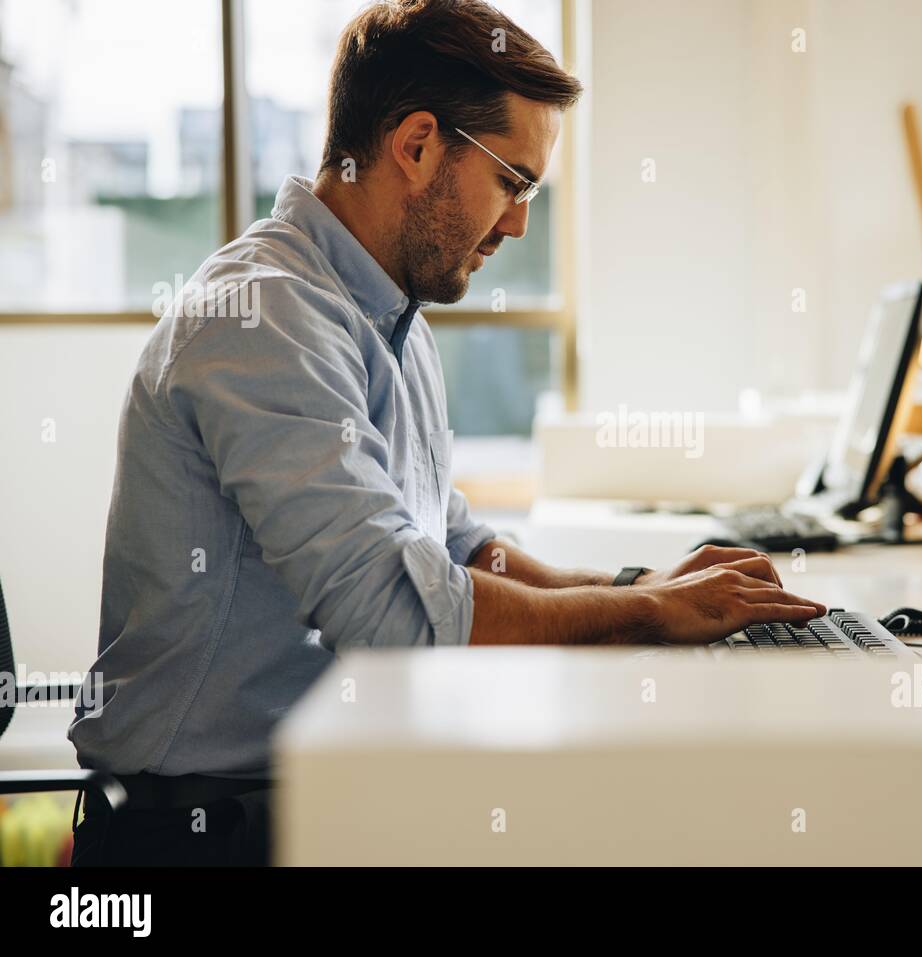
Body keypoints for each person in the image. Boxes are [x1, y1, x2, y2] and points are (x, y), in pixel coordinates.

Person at [68, 0, 824, 866]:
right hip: (207, 831)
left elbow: (453, 545)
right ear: (418, 145)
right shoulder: (263, 317)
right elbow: (393, 612)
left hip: (327, 784)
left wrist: (636, 581)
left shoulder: (389, 318)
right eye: (514, 182)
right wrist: (649, 613)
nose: (518, 225)